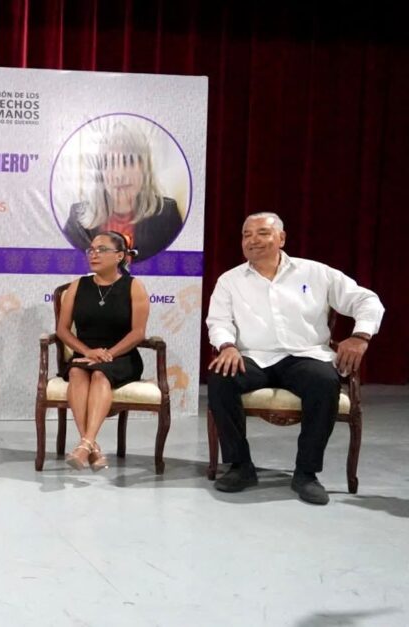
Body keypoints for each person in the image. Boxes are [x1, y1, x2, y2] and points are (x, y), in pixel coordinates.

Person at [206, 212, 384, 505]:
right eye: (247, 235)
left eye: (262, 233)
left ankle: (306, 473)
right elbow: (218, 321)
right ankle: (240, 466)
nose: (253, 240)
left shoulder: (315, 273)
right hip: (253, 357)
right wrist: (226, 345)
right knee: (221, 378)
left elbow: (366, 300)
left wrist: (360, 336)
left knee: (324, 381)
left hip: (305, 355)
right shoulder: (230, 280)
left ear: (281, 238)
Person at [55, 231, 149, 470]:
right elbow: (62, 330)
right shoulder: (78, 285)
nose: (94, 255)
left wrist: (109, 354)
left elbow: (138, 333)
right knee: (76, 372)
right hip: (85, 354)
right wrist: (87, 351)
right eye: (91, 250)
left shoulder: (134, 286)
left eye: (102, 250)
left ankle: (85, 444)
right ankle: (90, 445)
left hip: (122, 356)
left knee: (99, 374)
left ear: (119, 256)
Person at [62, 121, 183, 262]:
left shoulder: (166, 216)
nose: (119, 175)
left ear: (144, 168)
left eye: (128, 161)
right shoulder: (77, 219)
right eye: (110, 163)